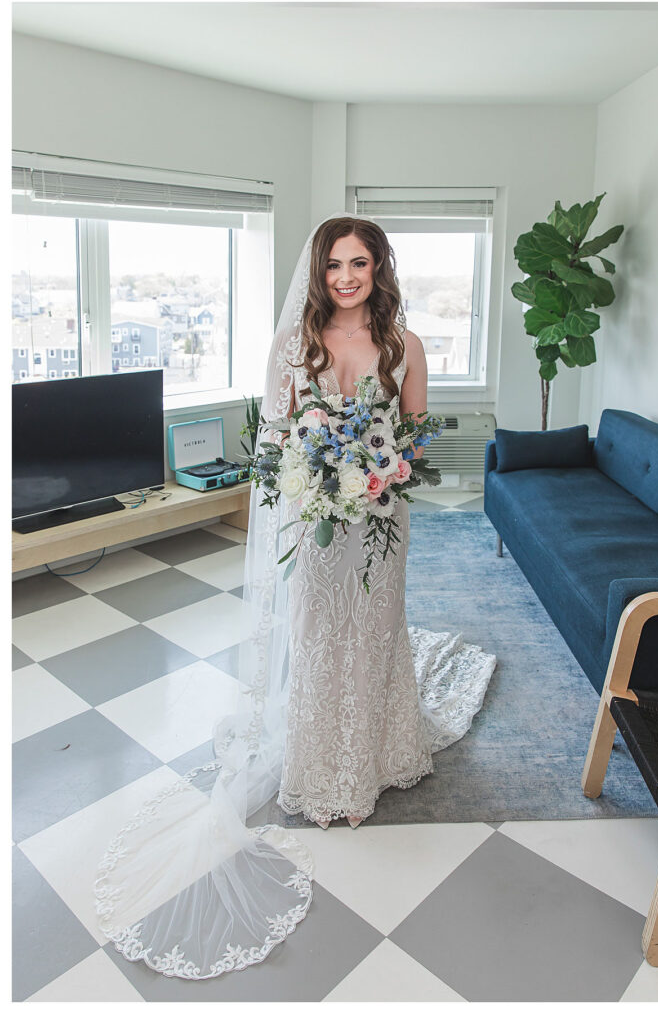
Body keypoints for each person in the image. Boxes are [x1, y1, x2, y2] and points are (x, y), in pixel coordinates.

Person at [93, 213, 496, 981]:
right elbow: (274, 441)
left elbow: (413, 438)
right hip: (314, 521)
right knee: (317, 635)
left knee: (374, 632)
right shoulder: (293, 347)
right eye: (335, 265)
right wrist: (314, 474)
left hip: (381, 520)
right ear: (319, 272)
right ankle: (321, 772)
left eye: (361, 263)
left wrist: (382, 475)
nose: (347, 277)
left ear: (380, 269)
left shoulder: (406, 346)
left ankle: (374, 757)